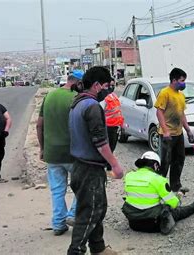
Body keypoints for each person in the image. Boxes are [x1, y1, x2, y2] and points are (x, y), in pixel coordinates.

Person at [67, 66, 124, 255]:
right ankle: (75, 251)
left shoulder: (77, 103)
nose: (108, 91)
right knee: (89, 213)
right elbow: (100, 141)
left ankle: (98, 247)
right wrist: (114, 164)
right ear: (98, 85)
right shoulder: (92, 107)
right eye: (106, 85)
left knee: (97, 208)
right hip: (89, 169)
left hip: (80, 166)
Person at [36, 70, 84, 236]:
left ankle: (58, 224)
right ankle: (72, 215)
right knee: (82, 186)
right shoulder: (76, 99)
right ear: (77, 83)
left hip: (52, 153)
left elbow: (39, 125)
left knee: (57, 190)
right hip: (72, 153)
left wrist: (42, 148)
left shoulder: (49, 97)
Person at [122, 151, 194, 234]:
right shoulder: (159, 180)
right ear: (155, 165)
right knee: (174, 210)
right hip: (153, 224)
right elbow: (174, 204)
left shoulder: (128, 176)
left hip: (133, 224)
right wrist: (179, 195)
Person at [155, 68, 193, 193]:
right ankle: (160, 188)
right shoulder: (165, 93)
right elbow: (159, 112)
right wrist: (165, 130)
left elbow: (181, 114)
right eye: (182, 81)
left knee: (179, 159)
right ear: (174, 80)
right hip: (167, 135)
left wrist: (188, 130)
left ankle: (175, 186)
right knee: (165, 161)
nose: (183, 83)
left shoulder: (181, 95)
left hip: (178, 133)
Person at [99, 78, 124, 171]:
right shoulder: (104, 98)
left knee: (112, 146)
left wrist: (121, 124)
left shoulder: (114, 96)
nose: (112, 87)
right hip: (108, 126)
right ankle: (106, 164)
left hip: (116, 126)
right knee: (108, 147)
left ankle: (108, 164)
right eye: (110, 85)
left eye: (114, 85)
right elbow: (100, 111)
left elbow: (118, 110)